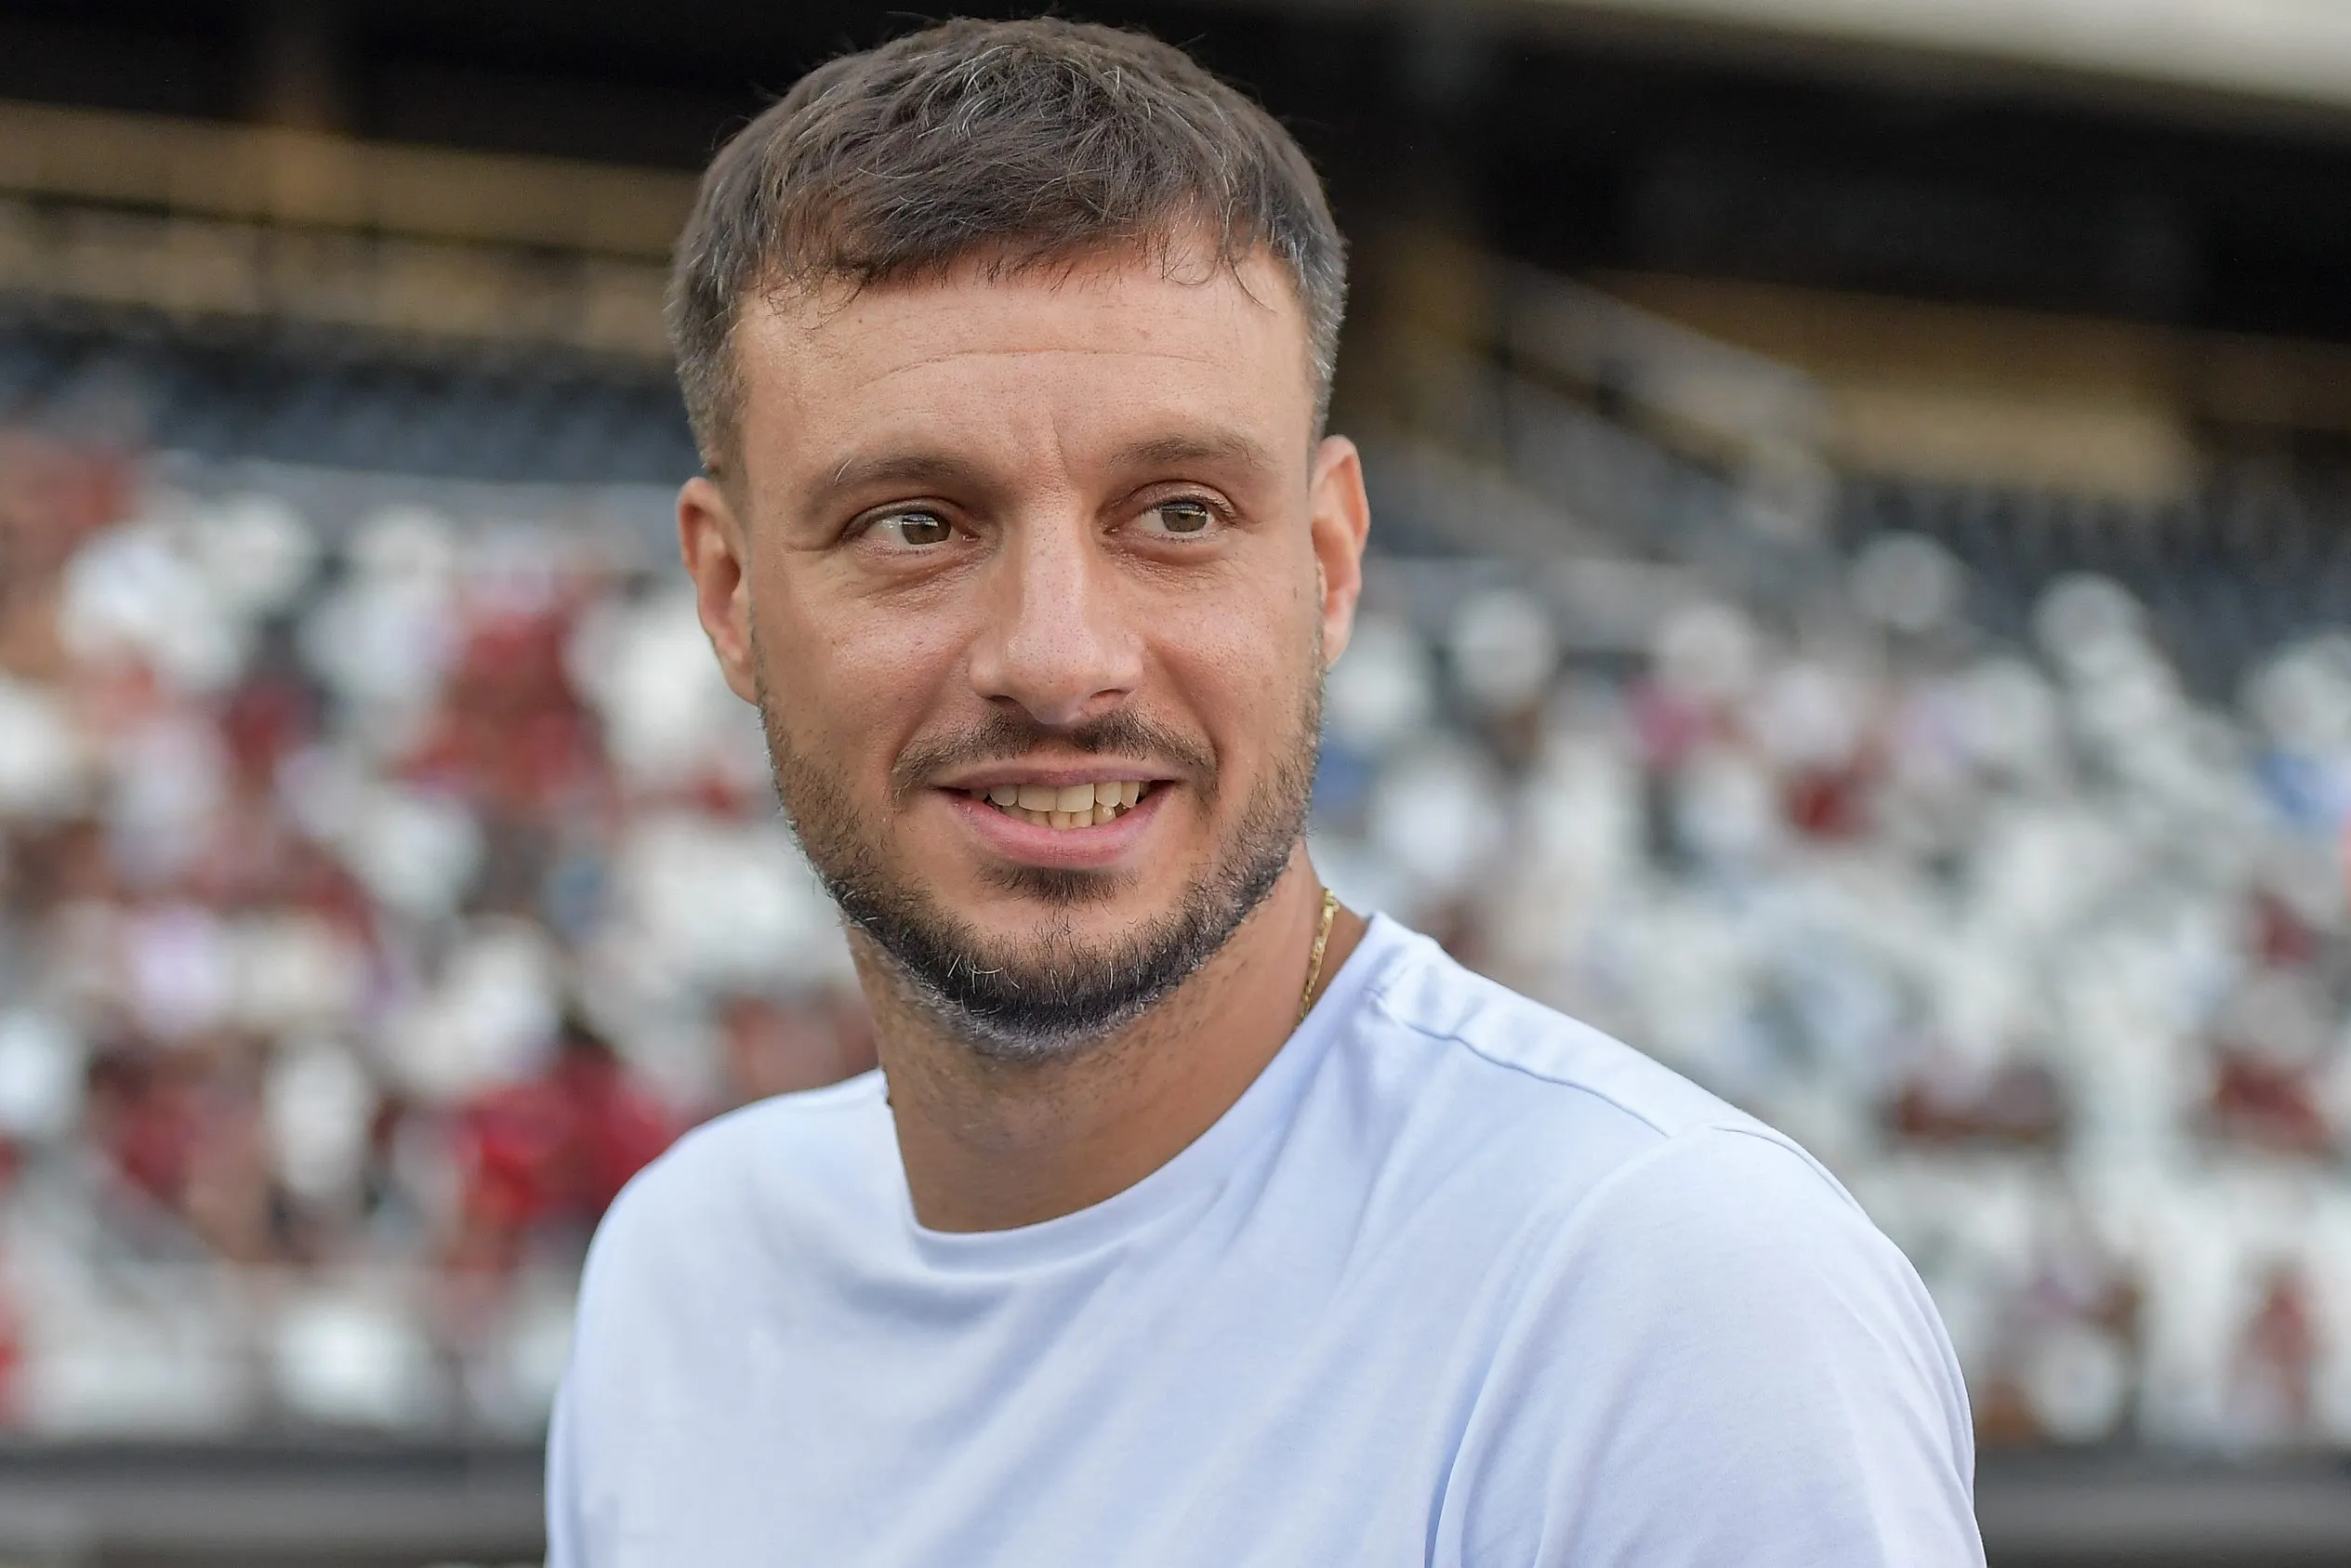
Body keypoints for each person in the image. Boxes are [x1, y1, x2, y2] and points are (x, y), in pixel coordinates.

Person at [545, 18, 1980, 1565]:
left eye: (1175, 511)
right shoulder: (679, 1278)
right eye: (913, 524)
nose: (1059, 659)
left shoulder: (1662, 1298)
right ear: (732, 592)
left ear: (1327, 563)